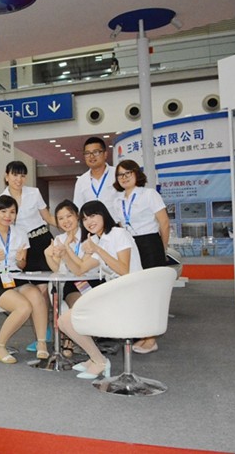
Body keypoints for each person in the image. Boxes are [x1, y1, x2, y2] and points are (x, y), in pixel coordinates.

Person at [57, 200, 142, 379]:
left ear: (104, 215)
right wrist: (66, 251)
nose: (89, 221)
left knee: (68, 320)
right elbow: (80, 269)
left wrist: (97, 249)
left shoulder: (118, 234)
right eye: (85, 219)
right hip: (114, 293)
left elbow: (124, 270)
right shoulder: (97, 239)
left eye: (93, 216)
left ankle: (99, 361)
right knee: (64, 321)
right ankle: (96, 358)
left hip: (130, 293)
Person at [0, 195, 49, 364]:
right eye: (3, 211)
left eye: (12, 212)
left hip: (17, 276)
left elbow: (22, 265)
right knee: (23, 307)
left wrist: (19, 260)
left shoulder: (21, 233)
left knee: (37, 297)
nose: (8, 216)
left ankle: (41, 343)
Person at [113, 159, 170, 354]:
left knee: (152, 291)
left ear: (136, 174)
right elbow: (120, 226)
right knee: (136, 290)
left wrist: (162, 248)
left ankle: (151, 339)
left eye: (128, 173)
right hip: (130, 245)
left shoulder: (149, 194)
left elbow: (164, 222)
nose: (124, 177)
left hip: (150, 243)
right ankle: (143, 334)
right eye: (120, 175)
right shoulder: (118, 200)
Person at [0, 160, 56, 353]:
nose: (19, 179)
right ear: (7, 176)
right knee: (32, 291)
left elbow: (47, 217)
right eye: (15, 175)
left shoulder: (34, 193)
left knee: (43, 289)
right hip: (23, 246)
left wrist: (69, 226)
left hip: (41, 241)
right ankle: (43, 332)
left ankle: (47, 331)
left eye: (22, 175)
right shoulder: (2, 198)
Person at [43, 200, 102, 358]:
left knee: (81, 306)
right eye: (61, 218)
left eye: (69, 216)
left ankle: (79, 339)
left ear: (77, 216)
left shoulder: (90, 236)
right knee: (74, 305)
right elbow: (57, 268)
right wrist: (47, 255)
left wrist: (67, 250)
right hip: (71, 283)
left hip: (90, 280)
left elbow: (82, 267)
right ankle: (71, 338)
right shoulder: (59, 239)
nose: (66, 221)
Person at [73, 137, 120, 222]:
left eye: (96, 152)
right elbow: (78, 209)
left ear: (105, 154)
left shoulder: (117, 174)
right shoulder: (81, 181)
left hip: (117, 225)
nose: (91, 156)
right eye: (87, 153)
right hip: (92, 227)